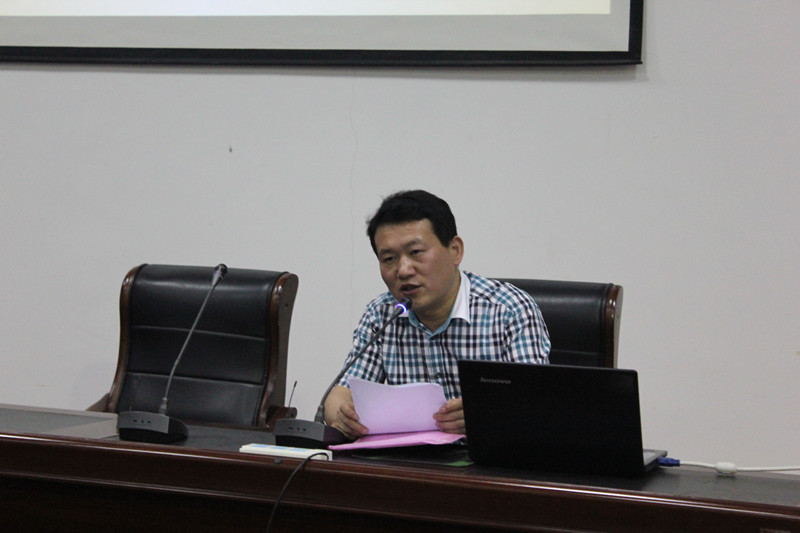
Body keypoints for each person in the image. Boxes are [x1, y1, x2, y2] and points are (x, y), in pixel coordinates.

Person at [323, 190, 550, 439]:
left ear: (455, 250)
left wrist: (484, 414)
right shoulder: (381, 315)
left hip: (490, 456)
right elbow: (340, 395)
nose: (403, 270)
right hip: (410, 459)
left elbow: (537, 405)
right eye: (389, 258)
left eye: (416, 252)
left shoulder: (509, 310)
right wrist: (343, 416)